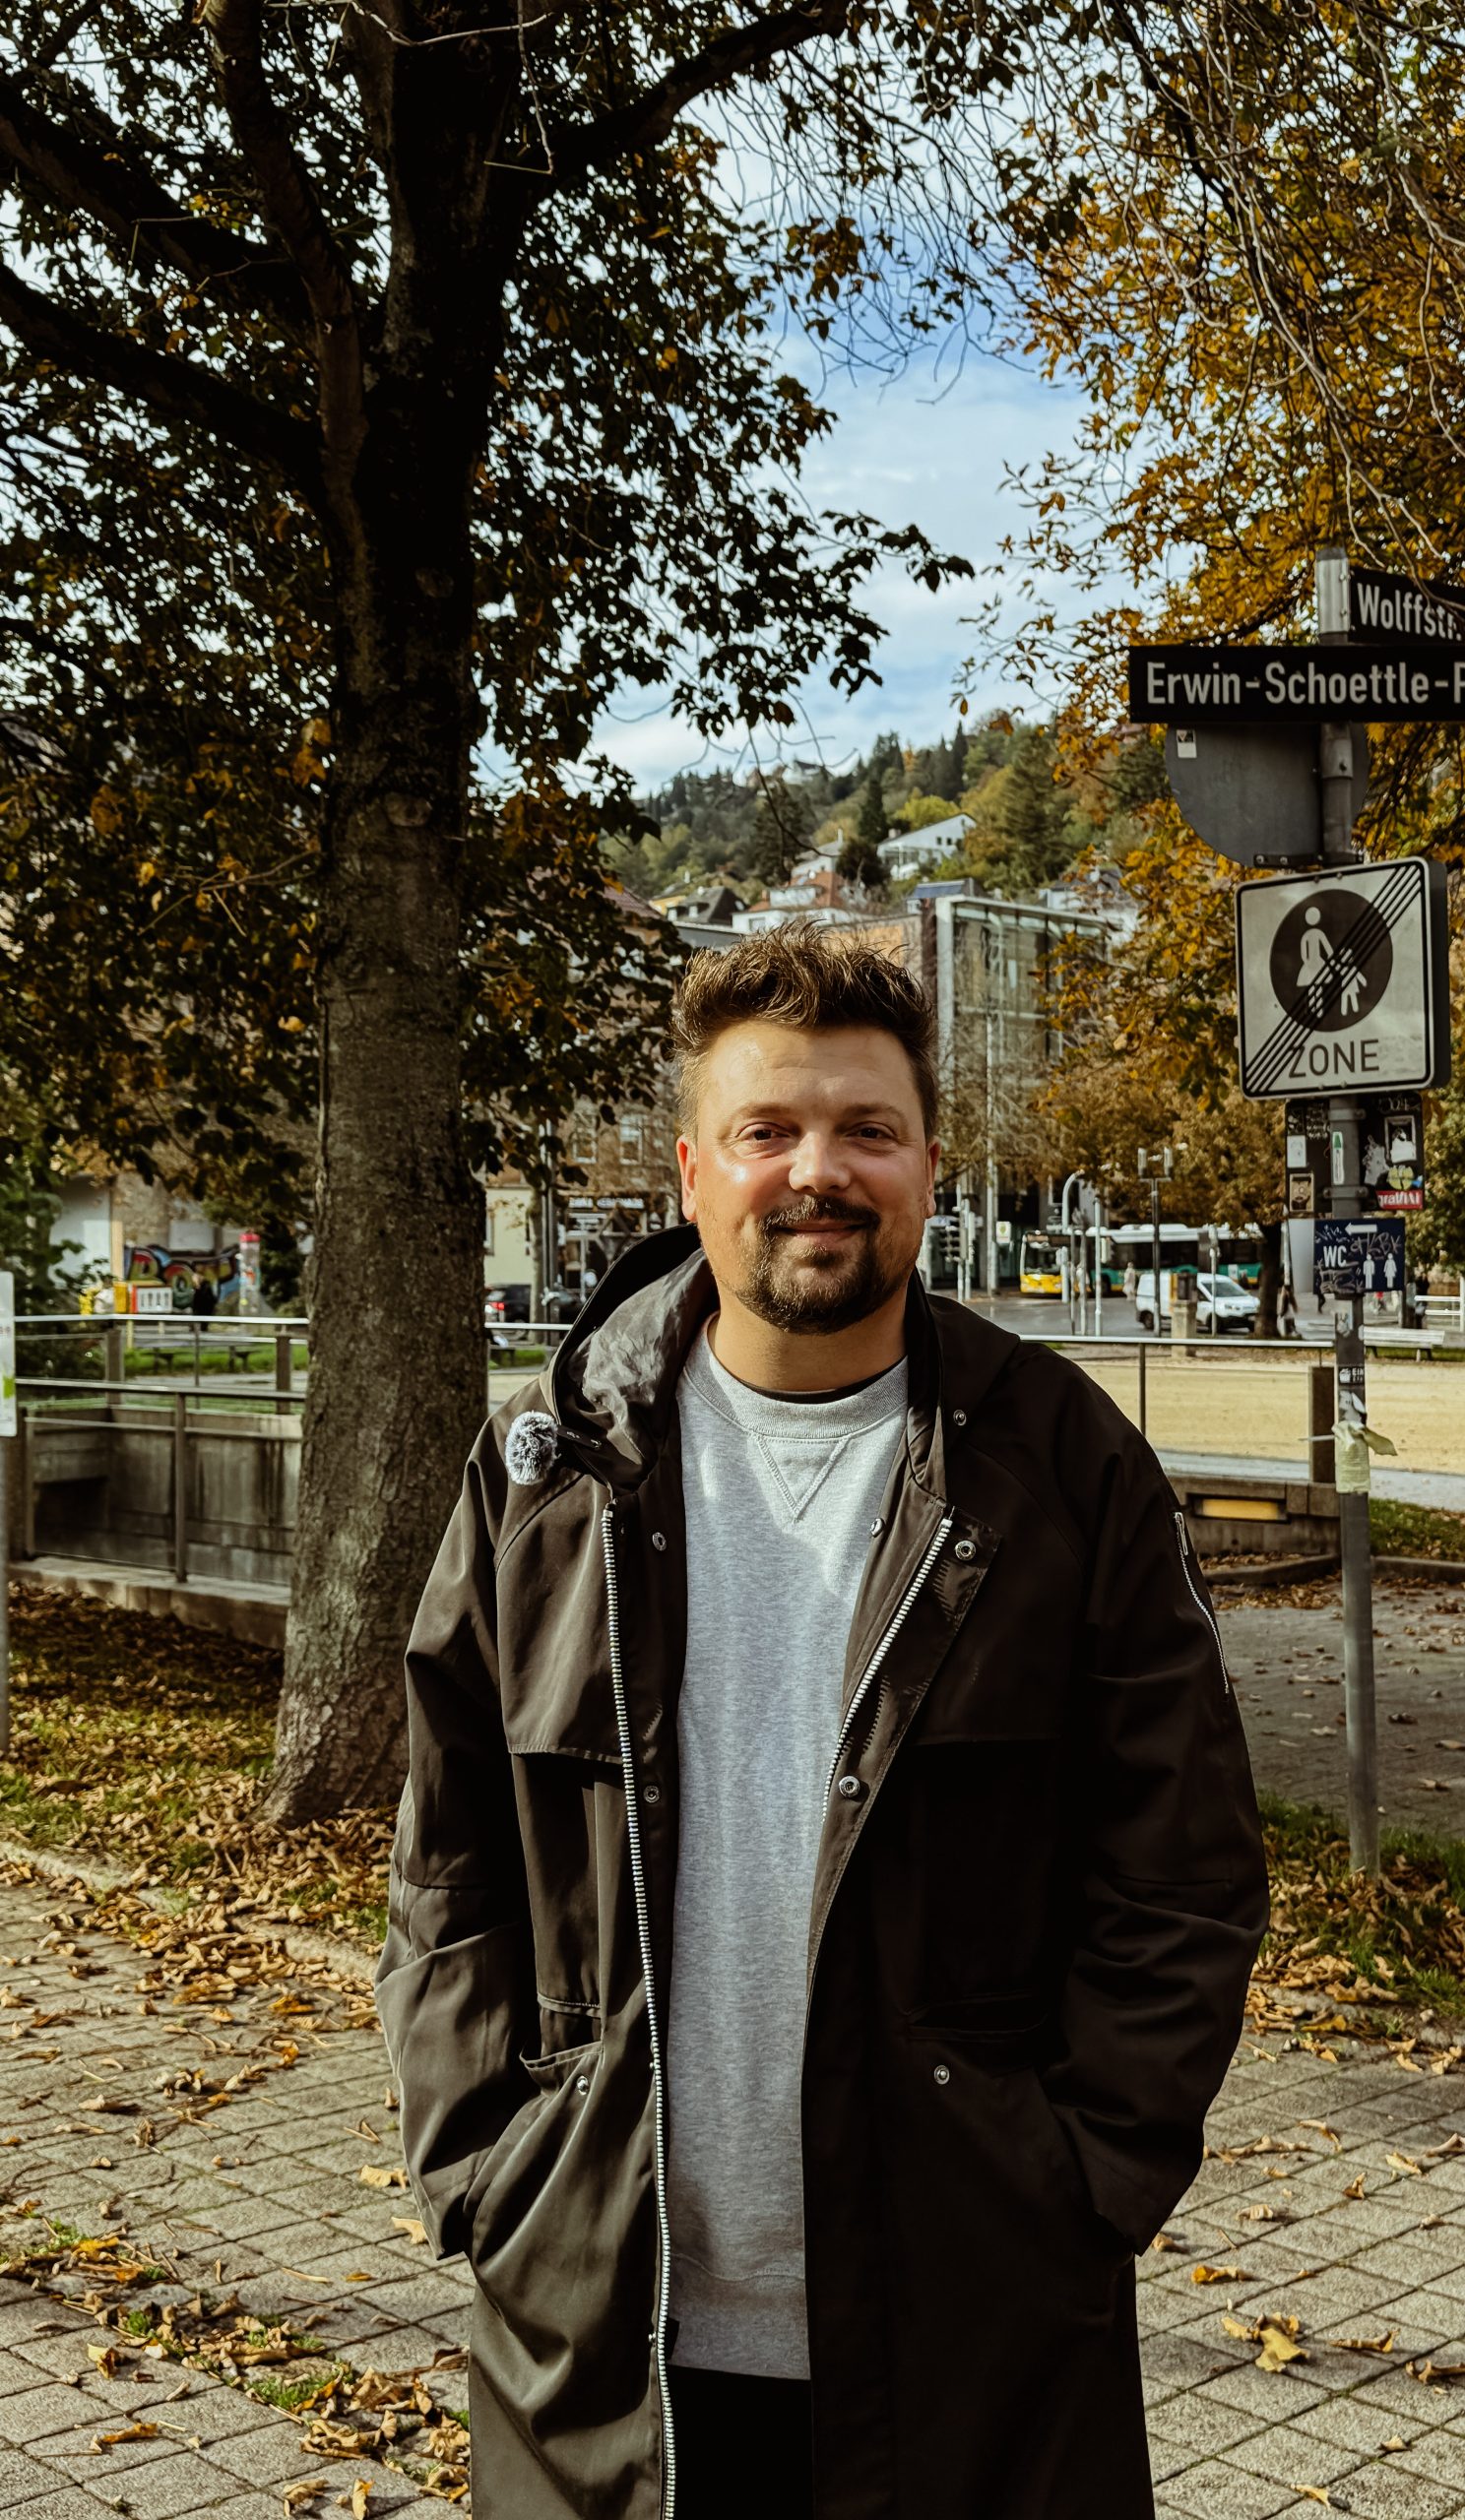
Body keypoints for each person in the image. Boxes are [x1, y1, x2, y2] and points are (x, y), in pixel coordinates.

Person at [377, 924, 1270, 2520]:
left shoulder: (1063, 1469)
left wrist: (1084, 2182)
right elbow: (447, 1869)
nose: (819, 1173)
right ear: (693, 1169)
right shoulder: (546, 1477)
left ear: (929, 1162)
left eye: (867, 1130)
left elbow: (1184, 1871)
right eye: (768, 1131)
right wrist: (487, 2168)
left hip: (977, 2333)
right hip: (597, 2322)